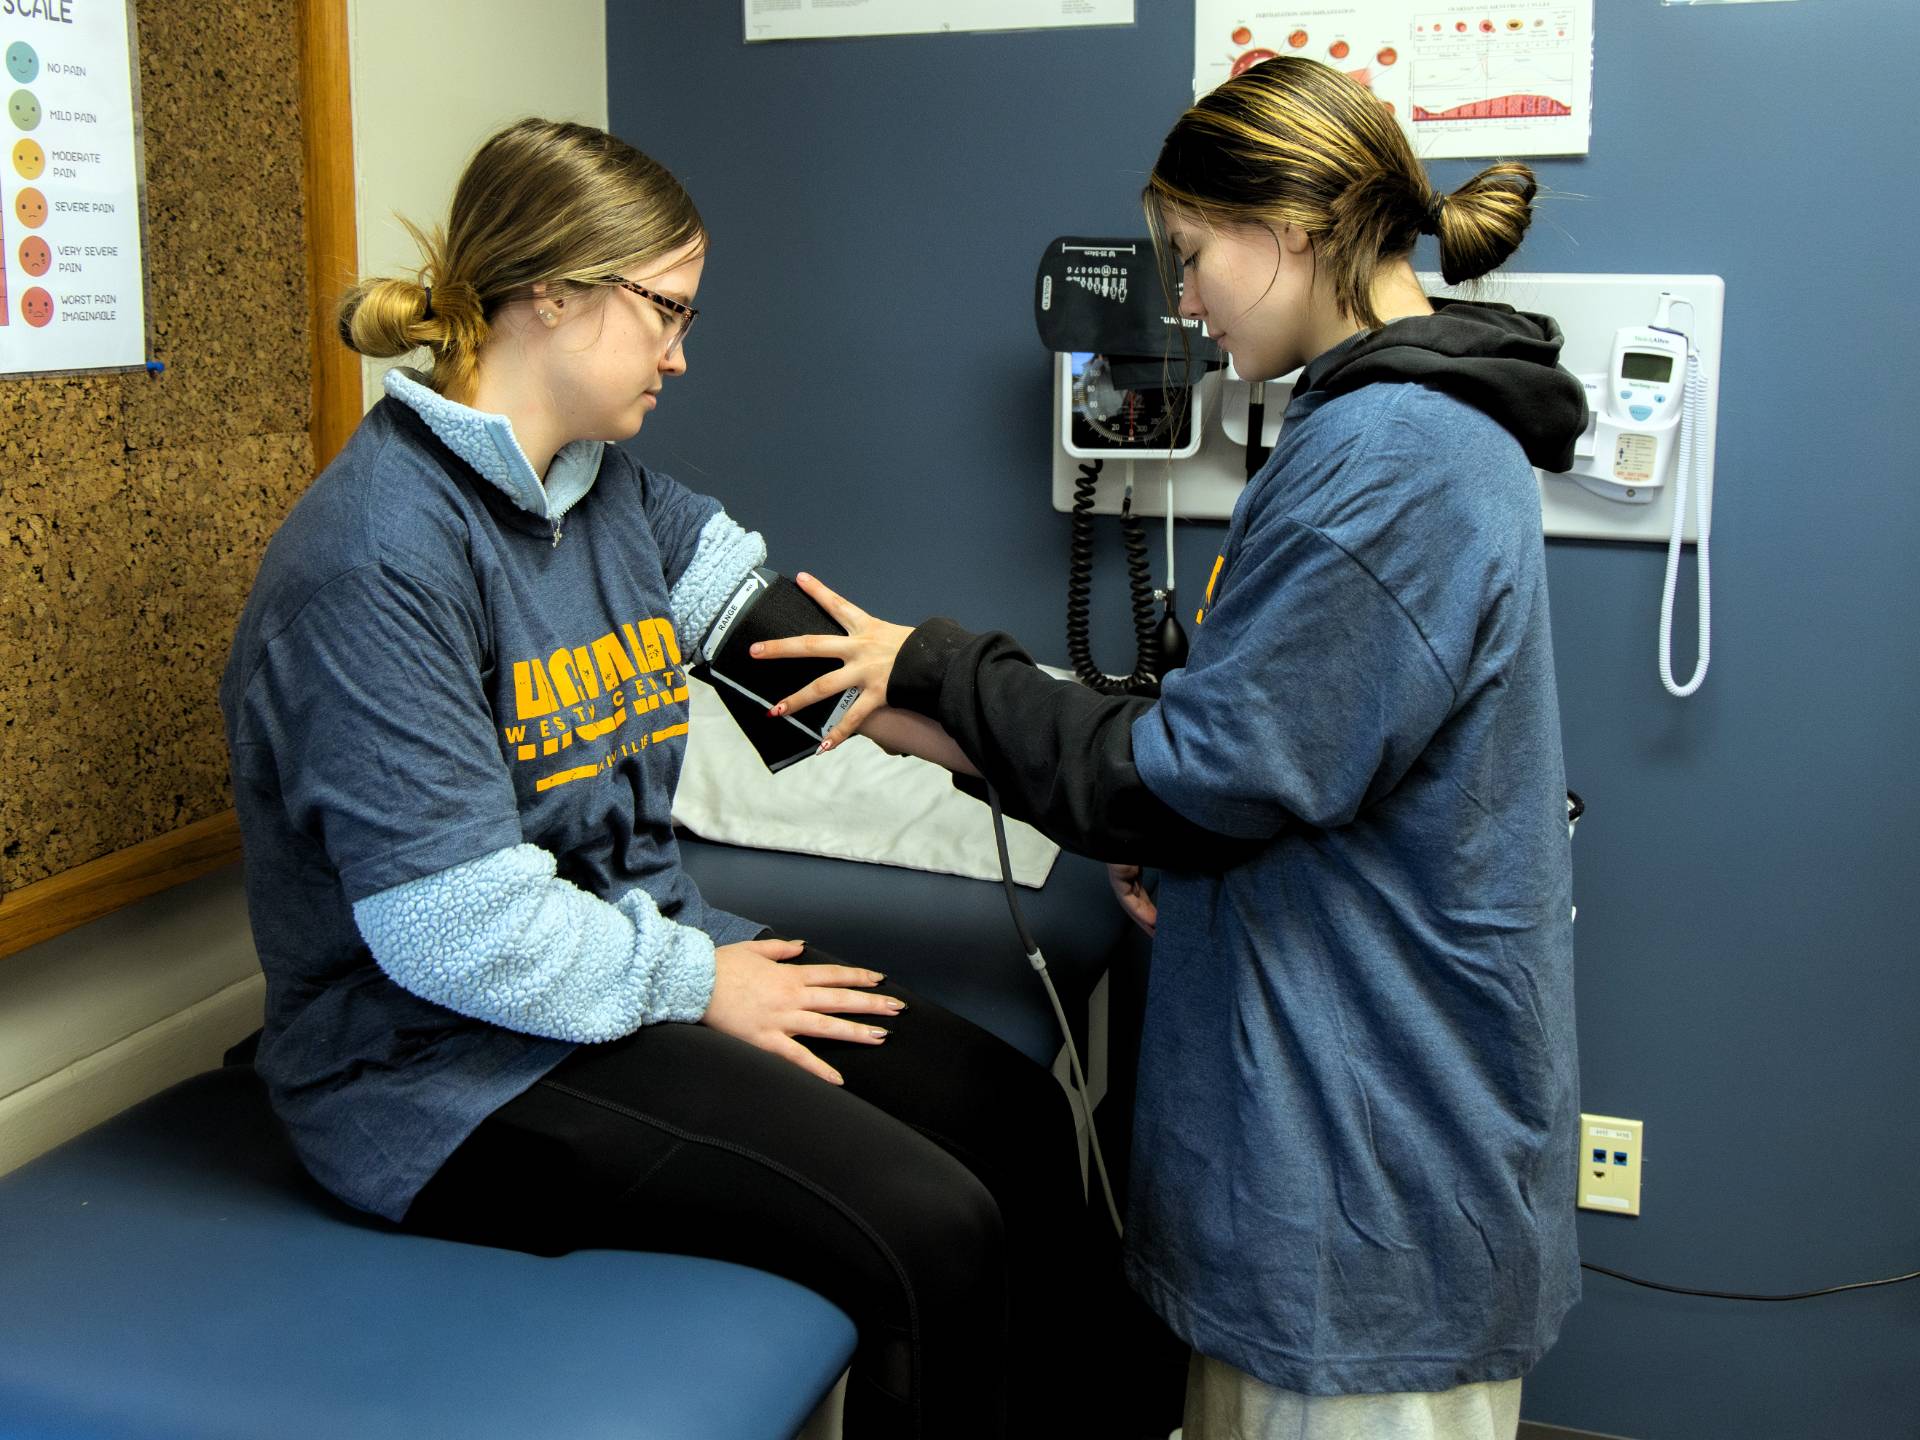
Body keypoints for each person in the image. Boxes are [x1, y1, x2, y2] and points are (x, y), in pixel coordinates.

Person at [218, 118, 1104, 1440]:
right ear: (553, 294)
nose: (684, 354)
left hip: (633, 975)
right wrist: (703, 985)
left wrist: (1087, 794)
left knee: (1014, 1119)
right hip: (441, 1068)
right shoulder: (376, 558)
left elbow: (826, 676)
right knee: (933, 1229)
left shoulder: (616, 500)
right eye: (667, 313)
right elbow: (448, 935)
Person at [754, 58, 1585, 1440]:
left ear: (1297, 230)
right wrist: (946, 724)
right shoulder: (1395, 430)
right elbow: (1263, 760)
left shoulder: (1390, 460)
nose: (1181, 302)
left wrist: (948, 668)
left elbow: (1209, 773)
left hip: (1361, 1170)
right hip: (1352, 1115)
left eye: (1192, 257)